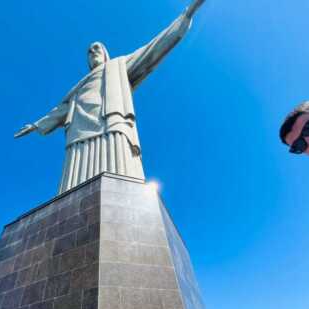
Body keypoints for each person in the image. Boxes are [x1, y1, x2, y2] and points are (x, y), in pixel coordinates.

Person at [14, 0, 207, 194]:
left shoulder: (118, 66)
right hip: (79, 133)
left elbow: (152, 50)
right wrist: (37, 125)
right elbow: (60, 110)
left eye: (96, 48)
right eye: (89, 52)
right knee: (74, 181)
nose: (92, 53)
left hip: (110, 121)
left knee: (119, 170)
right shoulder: (77, 88)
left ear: (105, 53)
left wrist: (186, 16)